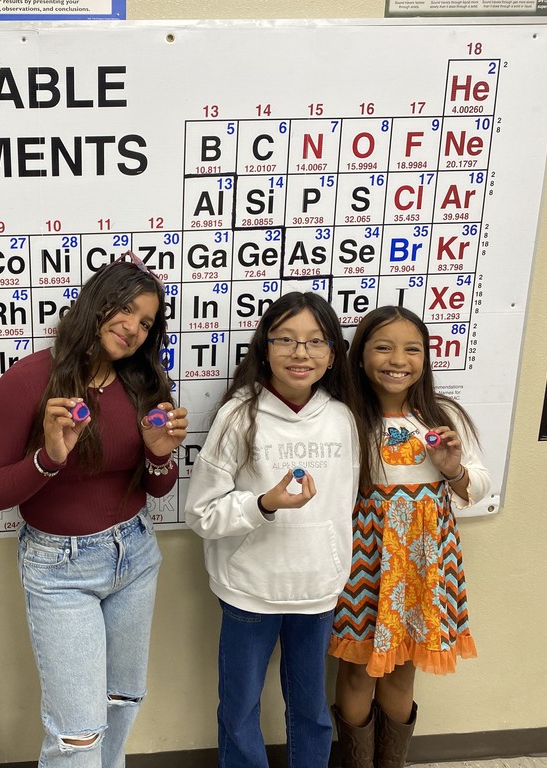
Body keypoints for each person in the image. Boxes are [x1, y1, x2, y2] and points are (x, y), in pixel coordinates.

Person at [0, 254, 188, 767]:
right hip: (59, 569)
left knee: (123, 701)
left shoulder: (143, 382)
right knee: (77, 733)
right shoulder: (29, 381)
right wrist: (48, 459)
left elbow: (159, 488)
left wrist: (159, 454)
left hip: (135, 555)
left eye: (146, 323)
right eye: (125, 309)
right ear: (95, 303)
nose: (133, 327)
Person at [184, 291, 360, 768]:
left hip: (317, 590)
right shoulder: (238, 416)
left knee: (312, 710)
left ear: (332, 354)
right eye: (285, 339)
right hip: (249, 591)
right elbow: (201, 513)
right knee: (240, 709)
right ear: (264, 348)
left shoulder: (342, 418)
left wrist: (333, 564)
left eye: (315, 341)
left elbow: (343, 505)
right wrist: (263, 505)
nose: (301, 353)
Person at [329, 306, 489, 768]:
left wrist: (453, 470)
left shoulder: (442, 416)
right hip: (364, 561)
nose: (398, 359)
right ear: (360, 356)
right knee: (357, 670)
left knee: (402, 671)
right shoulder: (344, 418)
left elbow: (478, 486)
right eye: (383, 347)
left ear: (425, 358)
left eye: (412, 349)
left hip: (422, 560)